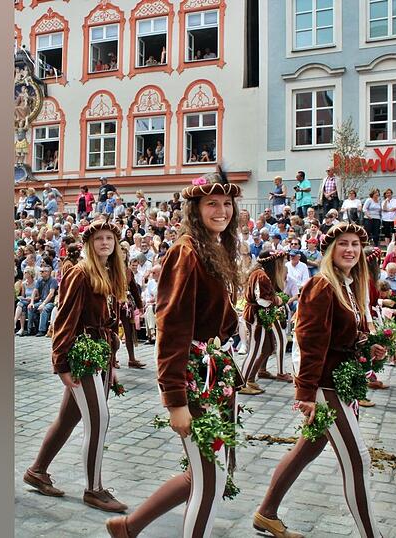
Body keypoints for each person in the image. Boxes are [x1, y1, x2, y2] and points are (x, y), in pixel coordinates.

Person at [106, 170, 243, 538]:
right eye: (212, 203)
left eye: (227, 203)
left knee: (204, 471)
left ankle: (128, 526)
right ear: (194, 209)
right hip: (191, 378)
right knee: (209, 479)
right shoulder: (186, 252)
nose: (221, 210)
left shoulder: (215, 249)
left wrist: (231, 326)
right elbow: (172, 327)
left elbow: (216, 313)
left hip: (212, 373)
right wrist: (175, 400)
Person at [253, 222, 386, 538]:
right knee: (358, 461)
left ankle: (266, 514)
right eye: (343, 244)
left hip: (341, 382)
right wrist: (306, 393)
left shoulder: (348, 285)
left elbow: (345, 334)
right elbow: (310, 341)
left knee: (306, 449)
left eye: (355, 244)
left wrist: (369, 344)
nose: (350, 249)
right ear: (330, 250)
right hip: (326, 387)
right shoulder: (322, 284)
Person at [23, 221, 129, 513]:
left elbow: (111, 321)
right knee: (99, 420)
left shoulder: (112, 271)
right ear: (89, 243)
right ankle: (94, 489)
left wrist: (112, 360)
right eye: (99, 239)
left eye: (110, 238)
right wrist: (61, 363)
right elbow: (64, 320)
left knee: (69, 418)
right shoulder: (80, 273)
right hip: (83, 355)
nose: (105, 243)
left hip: (101, 354)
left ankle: (37, 471)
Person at [241, 250, 292, 395]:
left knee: (267, 348)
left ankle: (250, 378)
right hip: (257, 315)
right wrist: (279, 300)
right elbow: (263, 300)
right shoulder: (261, 275)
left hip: (261, 315)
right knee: (255, 350)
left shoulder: (260, 273)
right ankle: (243, 382)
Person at [121, 257, 147, 369]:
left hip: (126, 305)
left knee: (129, 331)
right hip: (112, 305)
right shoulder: (109, 269)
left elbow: (134, 289)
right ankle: (112, 360)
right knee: (111, 333)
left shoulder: (128, 271)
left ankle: (132, 359)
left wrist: (140, 305)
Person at [28, 266, 58, 336]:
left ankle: (42, 330)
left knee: (44, 309)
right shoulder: (40, 280)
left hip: (50, 302)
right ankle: (30, 329)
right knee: (30, 307)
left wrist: (43, 304)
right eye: (40, 271)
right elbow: (34, 291)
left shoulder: (53, 280)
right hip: (41, 301)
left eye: (42, 271)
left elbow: (51, 294)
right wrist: (31, 302)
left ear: (47, 273)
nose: (40, 273)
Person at [15, 267, 37, 336]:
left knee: (20, 304)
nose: (24, 274)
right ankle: (21, 329)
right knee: (21, 306)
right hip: (25, 301)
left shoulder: (36, 283)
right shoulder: (24, 283)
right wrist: (23, 298)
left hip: (33, 301)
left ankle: (14, 323)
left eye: (25, 273)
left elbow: (39, 296)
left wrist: (31, 299)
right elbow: (23, 296)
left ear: (30, 274)